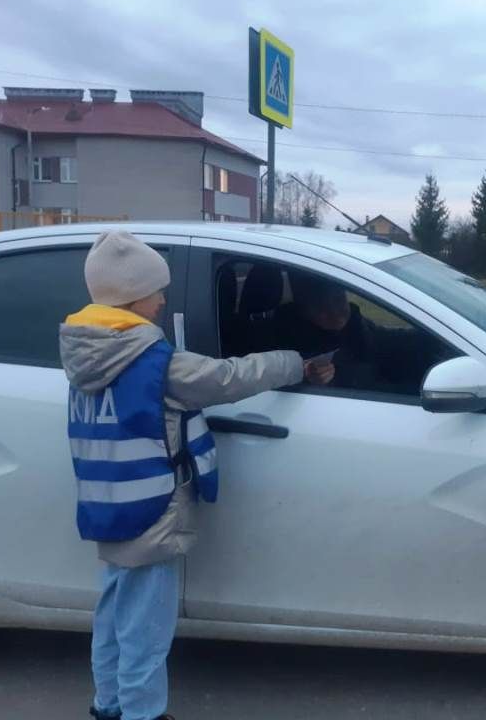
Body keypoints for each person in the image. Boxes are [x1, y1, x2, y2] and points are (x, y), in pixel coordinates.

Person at [60, 232, 309, 720]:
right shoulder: (156, 364)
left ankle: (108, 706)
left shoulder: (85, 356)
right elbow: (228, 378)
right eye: (158, 291)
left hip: (108, 504)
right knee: (146, 629)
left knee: (112, 616)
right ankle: (142, 714)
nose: (163, 300)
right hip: (153, 514)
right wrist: (294, 361)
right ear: (133, 296)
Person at [282, 275, 378, 389]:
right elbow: (288, 378)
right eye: (320, 306)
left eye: (338, 300)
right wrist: (309, 377)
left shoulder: (354, 318)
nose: (335, 313)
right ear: (304, 309)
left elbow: (380, 340)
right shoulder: (288, 335)